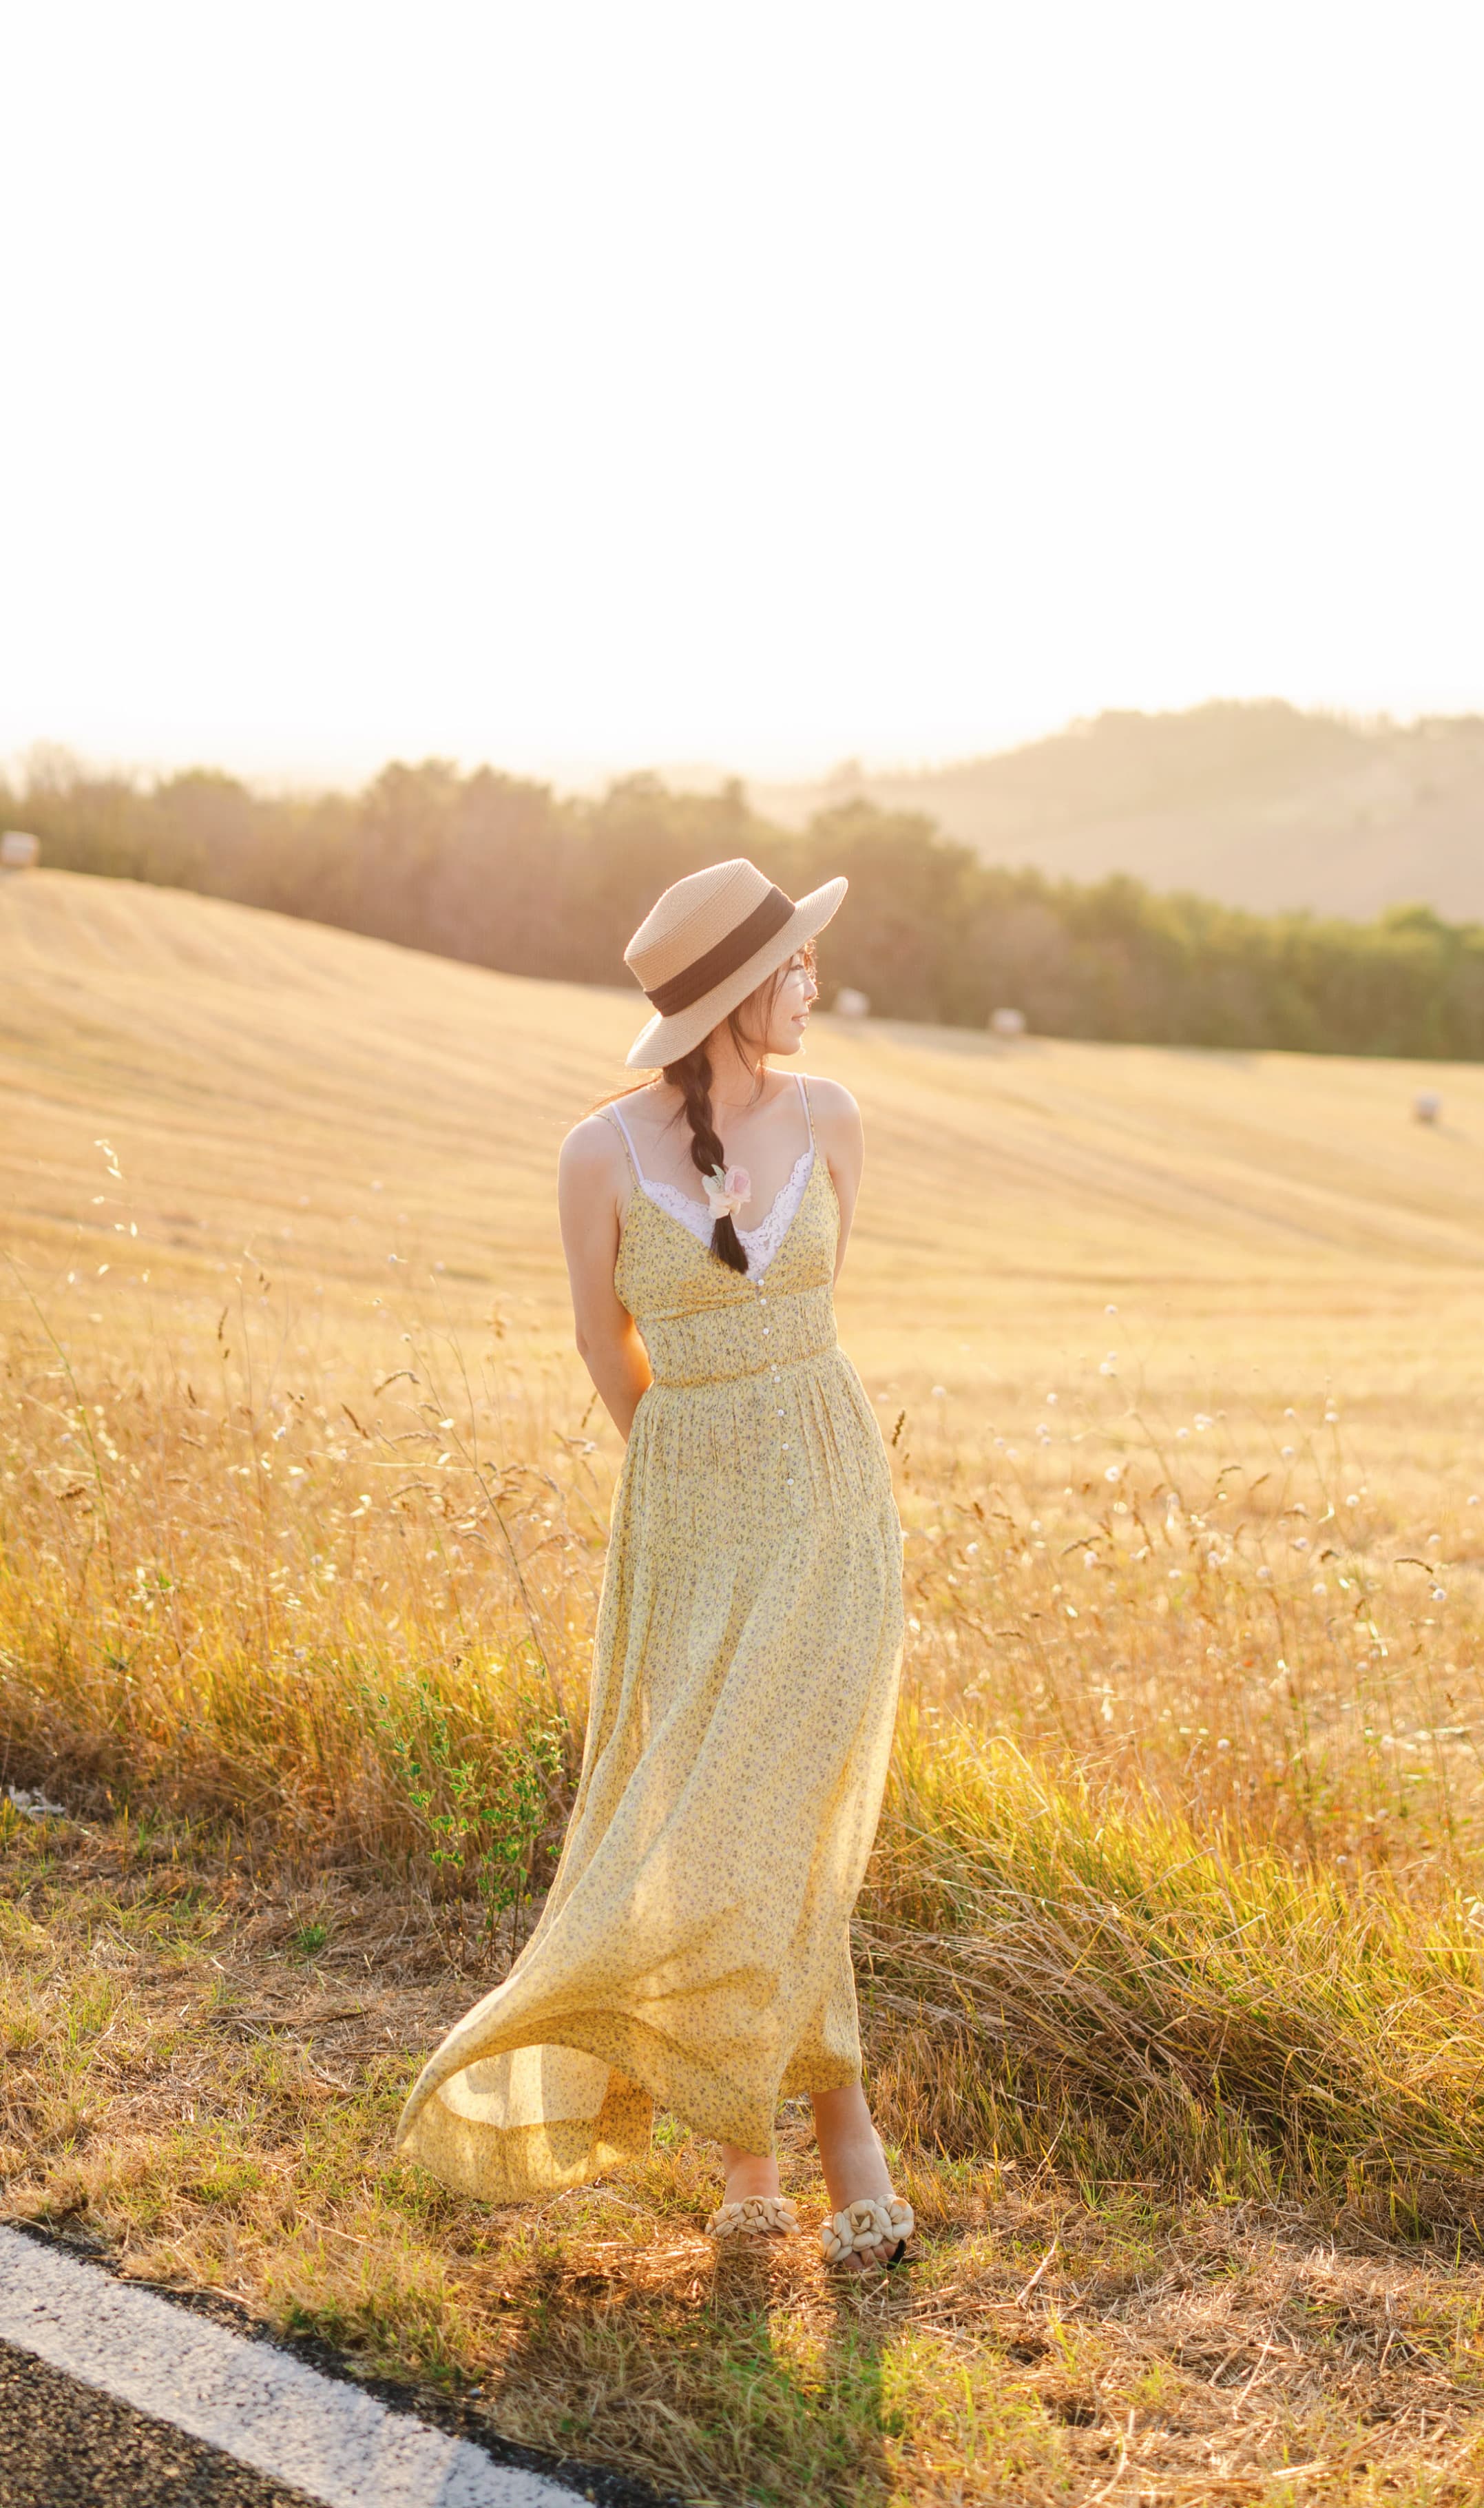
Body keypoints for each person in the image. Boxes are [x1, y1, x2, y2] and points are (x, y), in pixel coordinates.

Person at [396, 856, 912, 2277]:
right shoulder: (594, 1154)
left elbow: (810, 1316)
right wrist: (688, 1472)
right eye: (795, 967)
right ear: (742, 993)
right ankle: (755, 2150)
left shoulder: (831, 1119)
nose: (813, 983)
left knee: (785, 1821)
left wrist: (761, 1459)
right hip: (685, 1520)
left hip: (829, 1505)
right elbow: (597, 1343)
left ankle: (834, 2140)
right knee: (700, 1821)